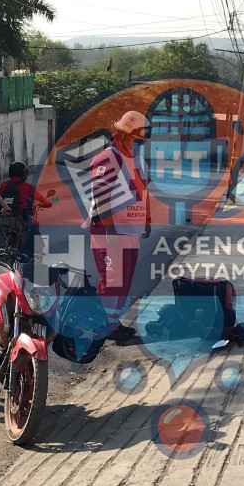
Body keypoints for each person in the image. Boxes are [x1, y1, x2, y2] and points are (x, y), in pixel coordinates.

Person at [89, 111, 152, 342]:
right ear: (123, 136)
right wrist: (111, 230)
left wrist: (147, 220)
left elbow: (144, 193)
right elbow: (101, 197)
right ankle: (102, 325)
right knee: (112, 279)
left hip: (130, 231)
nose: (140, 144)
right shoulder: (107, 159)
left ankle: (113, 323)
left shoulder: (138, 161)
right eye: (137, 139)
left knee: (124, 279)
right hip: (108, 231)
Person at [0, 161, 35, 250]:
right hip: (20, 217)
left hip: (4, 216)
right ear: (23, 174)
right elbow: (39, 198)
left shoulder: (3, 185)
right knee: (34, 223)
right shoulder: (28, 186)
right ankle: (33, 249)